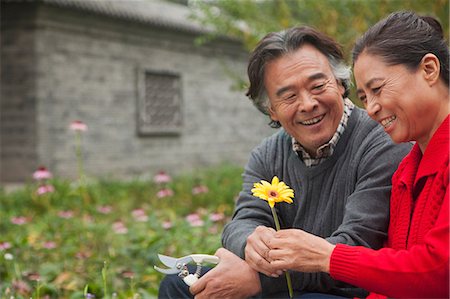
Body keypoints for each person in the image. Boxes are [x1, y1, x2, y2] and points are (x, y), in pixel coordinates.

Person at [158, 25, 412, 298]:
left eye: (317, 86)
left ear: (339, 83)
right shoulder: (267, 154)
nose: (308, 104)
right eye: (289, 96)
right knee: (180, 282)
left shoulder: (381, 142)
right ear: (272, 110)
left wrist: (260, 281)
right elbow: (242, 221)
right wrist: (249, 243)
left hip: (345, 290)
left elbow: (357, 243)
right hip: (285, 279)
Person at [264, 11, 449, 299]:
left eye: (377, 89)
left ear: (428, 69)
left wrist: (328, 256)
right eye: (364, 97)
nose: (372, 108)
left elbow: (439, 273)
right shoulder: (406, 172)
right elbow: (393, 279)